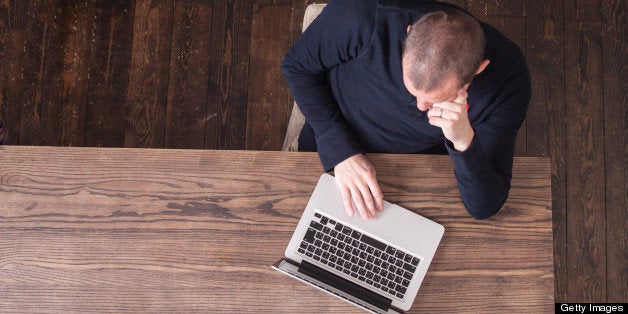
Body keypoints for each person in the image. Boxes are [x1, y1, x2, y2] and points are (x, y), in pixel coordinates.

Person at [282, 0, 531, 220]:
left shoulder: (508, 84)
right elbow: (297, 66)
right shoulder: (365, 14)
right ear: (408, 34)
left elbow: (485, 206)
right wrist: (340, 152)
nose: (421, 107)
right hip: (329, 139)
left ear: (478, 70)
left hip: (414, 176)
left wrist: (463, 140)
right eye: (413, 90)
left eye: (436, 99)